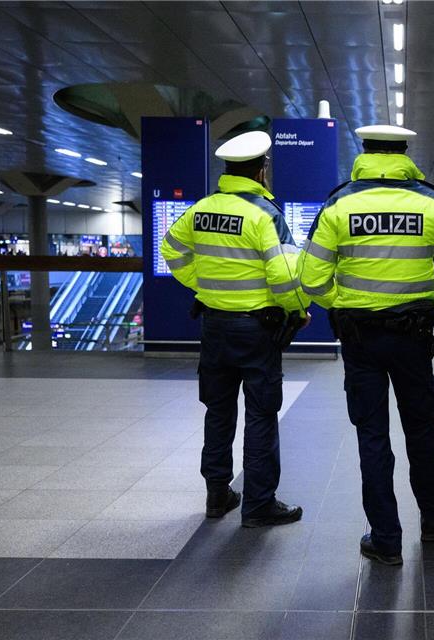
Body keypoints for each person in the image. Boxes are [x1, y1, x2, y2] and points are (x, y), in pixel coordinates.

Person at [299, 124, 434, 565]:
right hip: (414, 338)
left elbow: (311, 279)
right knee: (421, 431)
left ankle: (386, 540)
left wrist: (344, 302)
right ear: (404, 153)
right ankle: (431, 522)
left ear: (365, 152)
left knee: (372, 437)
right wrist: (430, 298)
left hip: (360, 340)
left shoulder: (338, 205)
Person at [160, 130, 308, 527]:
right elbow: (284, 275)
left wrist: (204, 285)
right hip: (258, 329)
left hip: (214, 325)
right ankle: (258, 505)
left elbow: (170, 248)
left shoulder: (201, 209)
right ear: (261, 171)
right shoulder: (265, 215)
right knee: (261, 413)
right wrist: (298, 310)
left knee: (218, 411)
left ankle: (217, 495)